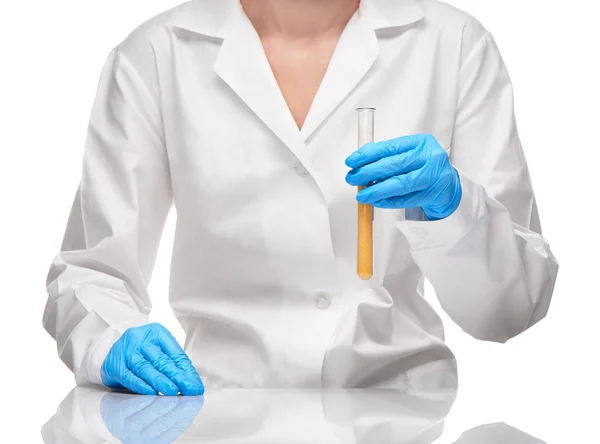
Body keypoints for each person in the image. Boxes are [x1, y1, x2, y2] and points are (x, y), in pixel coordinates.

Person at [43, 0, 558, 395]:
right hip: (219, 409)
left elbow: (510, 311)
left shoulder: (454, 43)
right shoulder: (156, 53)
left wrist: (454, 210)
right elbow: (92, 273)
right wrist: (112, 338)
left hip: (402, 413)